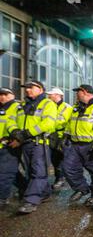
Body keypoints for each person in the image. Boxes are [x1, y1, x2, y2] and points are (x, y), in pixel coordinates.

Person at [10, 81, 57, 214]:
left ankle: (31, 200)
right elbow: (13, 121)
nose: (28, 90)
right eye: (26, 88)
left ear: (41, 89)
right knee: (30, 171)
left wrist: (26, 134)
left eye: (31, 87)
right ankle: (45, 192)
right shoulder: (23, 105)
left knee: (38, 171)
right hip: (25, 143)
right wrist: (15, 133)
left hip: (39, 143)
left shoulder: (48, 104)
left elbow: (48, 124)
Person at [64, 85, 93, 206]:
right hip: (75, 144)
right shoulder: (76, 107)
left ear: (84, 92)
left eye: (78, 92)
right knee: (68, 168)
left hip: (91, 145)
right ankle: (82, 188)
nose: (76, 94)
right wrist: (66, 136)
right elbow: (70, 123)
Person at [46, 87, 72, 191]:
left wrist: (66, 137)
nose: (49, 96)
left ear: (58, 95)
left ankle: (60, 178)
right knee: (53, 159)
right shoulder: (49, 106)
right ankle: (60, 177)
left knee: (60, 158)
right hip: (51, 136)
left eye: (51, 94)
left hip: (62, 137)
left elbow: (70, 123)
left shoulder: (67, 107)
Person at [0, 87, 21, 208]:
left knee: (5, 172)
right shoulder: (2, 107)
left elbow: (21, 124)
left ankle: (3, 197)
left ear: (12, 95)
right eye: (1, 95)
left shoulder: (17, 107)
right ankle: (25, 188)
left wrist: (18, 139)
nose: (2, 97)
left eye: (6, 94)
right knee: (12, 172)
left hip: (10, 144)